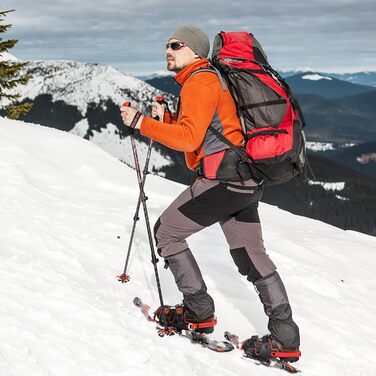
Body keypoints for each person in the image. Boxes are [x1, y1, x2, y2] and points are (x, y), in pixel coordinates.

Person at [120, 25, 300, 363]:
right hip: (245, 182)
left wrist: (141, 122)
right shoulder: (210, 80)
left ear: (195, 50)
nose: (168, 51)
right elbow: (198, 149)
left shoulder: (200, 80)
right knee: (251, 255)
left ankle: (197, 312)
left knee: (166, 232)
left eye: (176, 45)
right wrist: (170, 119)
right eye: (167, 45)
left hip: (222, 182)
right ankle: (285, 337)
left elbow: (189, 140)